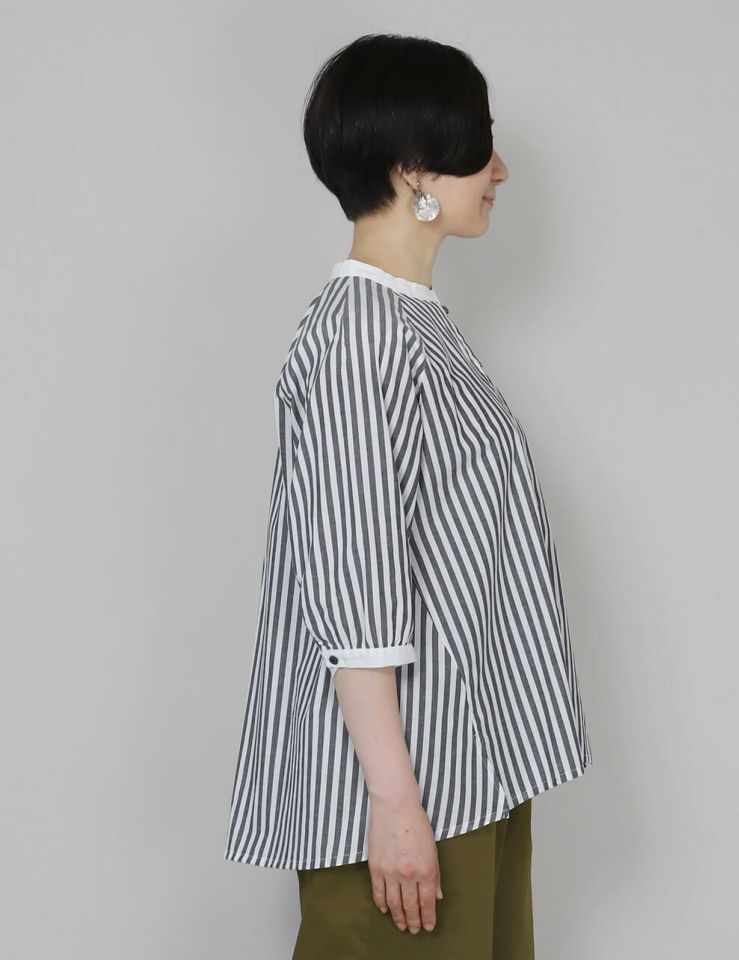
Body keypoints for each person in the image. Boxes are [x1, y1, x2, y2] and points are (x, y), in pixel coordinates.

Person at [224, 32, 592, 958]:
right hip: (410, 786)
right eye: (481, 144)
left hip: (469, 761)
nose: (500, 169)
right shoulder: (359, 334)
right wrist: (393, 804)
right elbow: (353, 582)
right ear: (413, 167)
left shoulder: (414, 321)